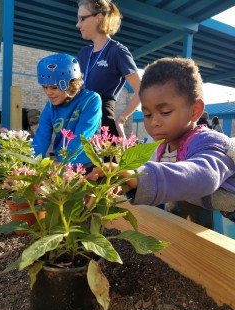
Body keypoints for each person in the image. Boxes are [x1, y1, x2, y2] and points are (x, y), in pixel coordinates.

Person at [87, 57, 235, 225]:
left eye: (165, 112)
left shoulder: (208, 143)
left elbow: (202, 176)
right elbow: (164, 188)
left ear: (195, 111)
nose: (154, 122)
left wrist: (137, 175)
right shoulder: (164, 147)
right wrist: (125, 184)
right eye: (147, 114)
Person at [76, 0, 141, 138]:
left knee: (105, 160)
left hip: (103, 125)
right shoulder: (83, 54)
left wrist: (122, 119)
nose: (78, 24)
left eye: (82, 18)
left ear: (98, 17)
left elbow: (142, 90)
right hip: (80, 122)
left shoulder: (117, 52)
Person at [32, 53, 102, 169]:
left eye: (54, 87)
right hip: (63, 163)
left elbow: (82, 136)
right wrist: (29, 163)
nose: (48, 93)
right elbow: (42, 137)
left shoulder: (91, 100)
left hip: (88, 164)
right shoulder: (50, 106)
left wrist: (64, 162)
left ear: (71, 84)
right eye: (45, 87)